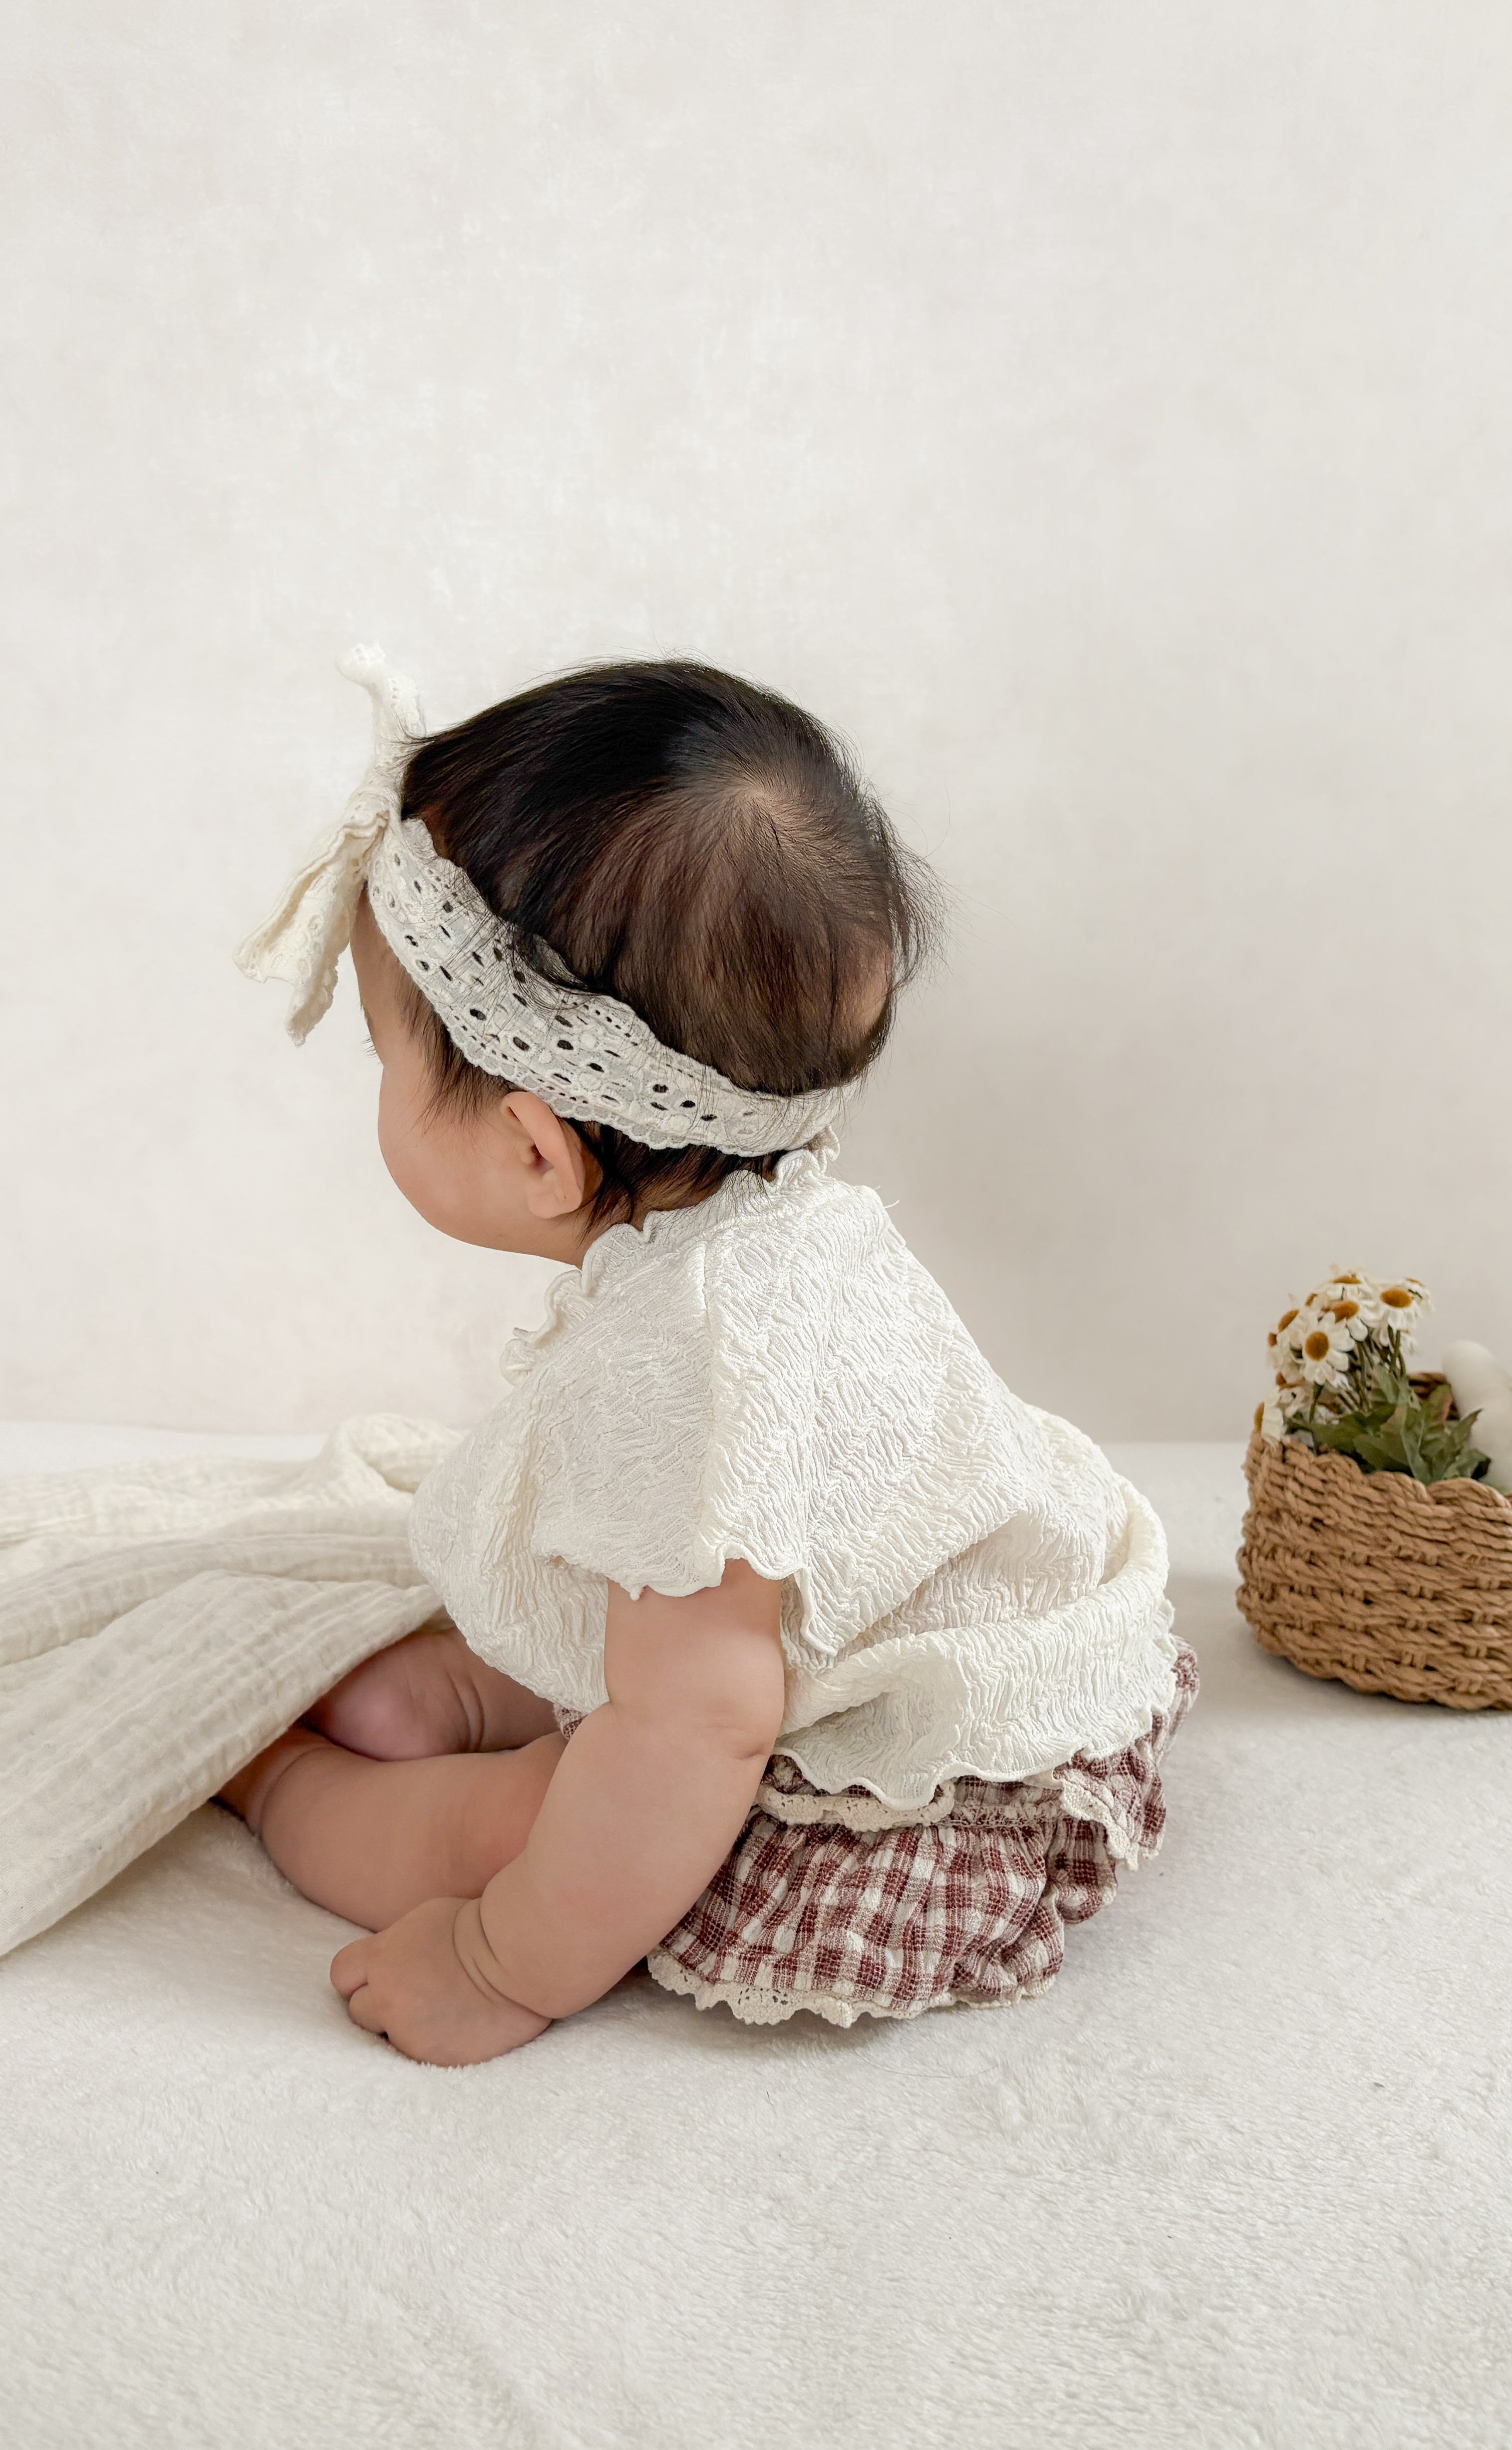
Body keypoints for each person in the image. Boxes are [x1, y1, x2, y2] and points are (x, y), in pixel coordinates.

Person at [221, 646, 1193, 2063]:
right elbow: (703, 1583)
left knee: (517, 1816)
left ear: (537, 1151)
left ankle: (278, 1786)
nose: (373, 1076)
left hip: (913, 1766)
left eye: (384, 1050)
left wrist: (502, 1959)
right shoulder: (759, 1211)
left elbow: (700, 1729)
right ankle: (491, 1687)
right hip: (903, 1618)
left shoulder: (689, 1370)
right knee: (675, 1622)